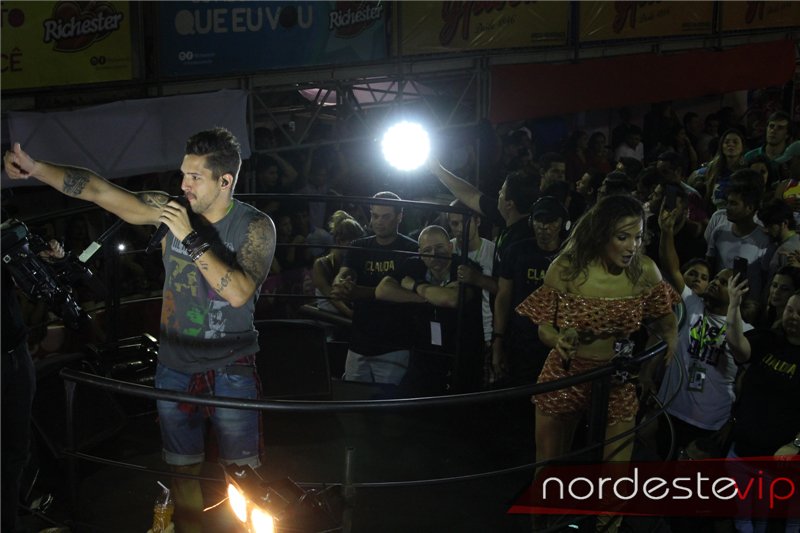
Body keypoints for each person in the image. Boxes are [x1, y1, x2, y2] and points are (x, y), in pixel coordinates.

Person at [4, 127, 277, 533]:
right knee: (182, 471)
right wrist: (36, 168)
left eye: (195, 177)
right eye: (183, 174)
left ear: (225, 181)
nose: (183, 185)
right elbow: (98, 190)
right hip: (174, 365)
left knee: (244, 475)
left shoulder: (255, 226)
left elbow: (238, 292)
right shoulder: (170, 210)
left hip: (231, 365)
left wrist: (189, 237)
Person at [515, 195, 679, 530]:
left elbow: (667, 323)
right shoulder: (566, 268)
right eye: (623, 237)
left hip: (616, 376)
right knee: (549, 469)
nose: (632, 246)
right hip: (567, 373)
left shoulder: (645, 271)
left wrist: (653, 365)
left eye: (637, 237)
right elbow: (544, 326)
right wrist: (558, 340)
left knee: (617, 478)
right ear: (601, 233)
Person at [1, 215, 64, 533]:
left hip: (15, 349)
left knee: (16, 449)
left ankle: (9, 522)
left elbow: (21, 271)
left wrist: (41, 255)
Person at [375, 225, 484, 392]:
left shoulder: (465, 267)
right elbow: (382, 290)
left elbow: (450, 299)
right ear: (420, 253)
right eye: (427, 250)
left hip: (461, 353)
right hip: (424, 352)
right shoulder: (413, 265)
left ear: (450, 247)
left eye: (439, 247)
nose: (434, 254)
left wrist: (416, 286)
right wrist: (428, 298)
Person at [726, 290, 800, 533]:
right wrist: (733, 307)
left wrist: (796, 445)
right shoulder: (769, 339)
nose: (793, 316)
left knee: (784, 522)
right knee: (743, 521)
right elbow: (739, 348)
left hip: (781, 463)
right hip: (743, 452)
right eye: (790, 309)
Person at [331, 192, 418, 386]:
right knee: (354, 398)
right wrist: (341, 282)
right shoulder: (359, 245)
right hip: (359, 342)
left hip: (394, 345)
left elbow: (394, 292)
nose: (379, 221)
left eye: (385, 216)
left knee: (387, 401)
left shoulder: (410, 249)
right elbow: (346, 271)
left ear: (399, 216)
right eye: (375, 216)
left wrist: (354, 290)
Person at [492, 196, 567, 386]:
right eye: (539, 220)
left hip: (556, 343)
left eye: (551, 221)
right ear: (531, 222)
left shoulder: (570, 256)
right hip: (520, 341)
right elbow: (503, 296)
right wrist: (498, 339)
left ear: (562, 223)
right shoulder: (517, 251)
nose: (544, 227)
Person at [312, 210, 364, 317]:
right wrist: (352, 315)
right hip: (328, 320)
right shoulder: (321, 264)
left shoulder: (355, 263)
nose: (357, 249)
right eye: (353, 244)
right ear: (339, 241)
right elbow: (332, 297)